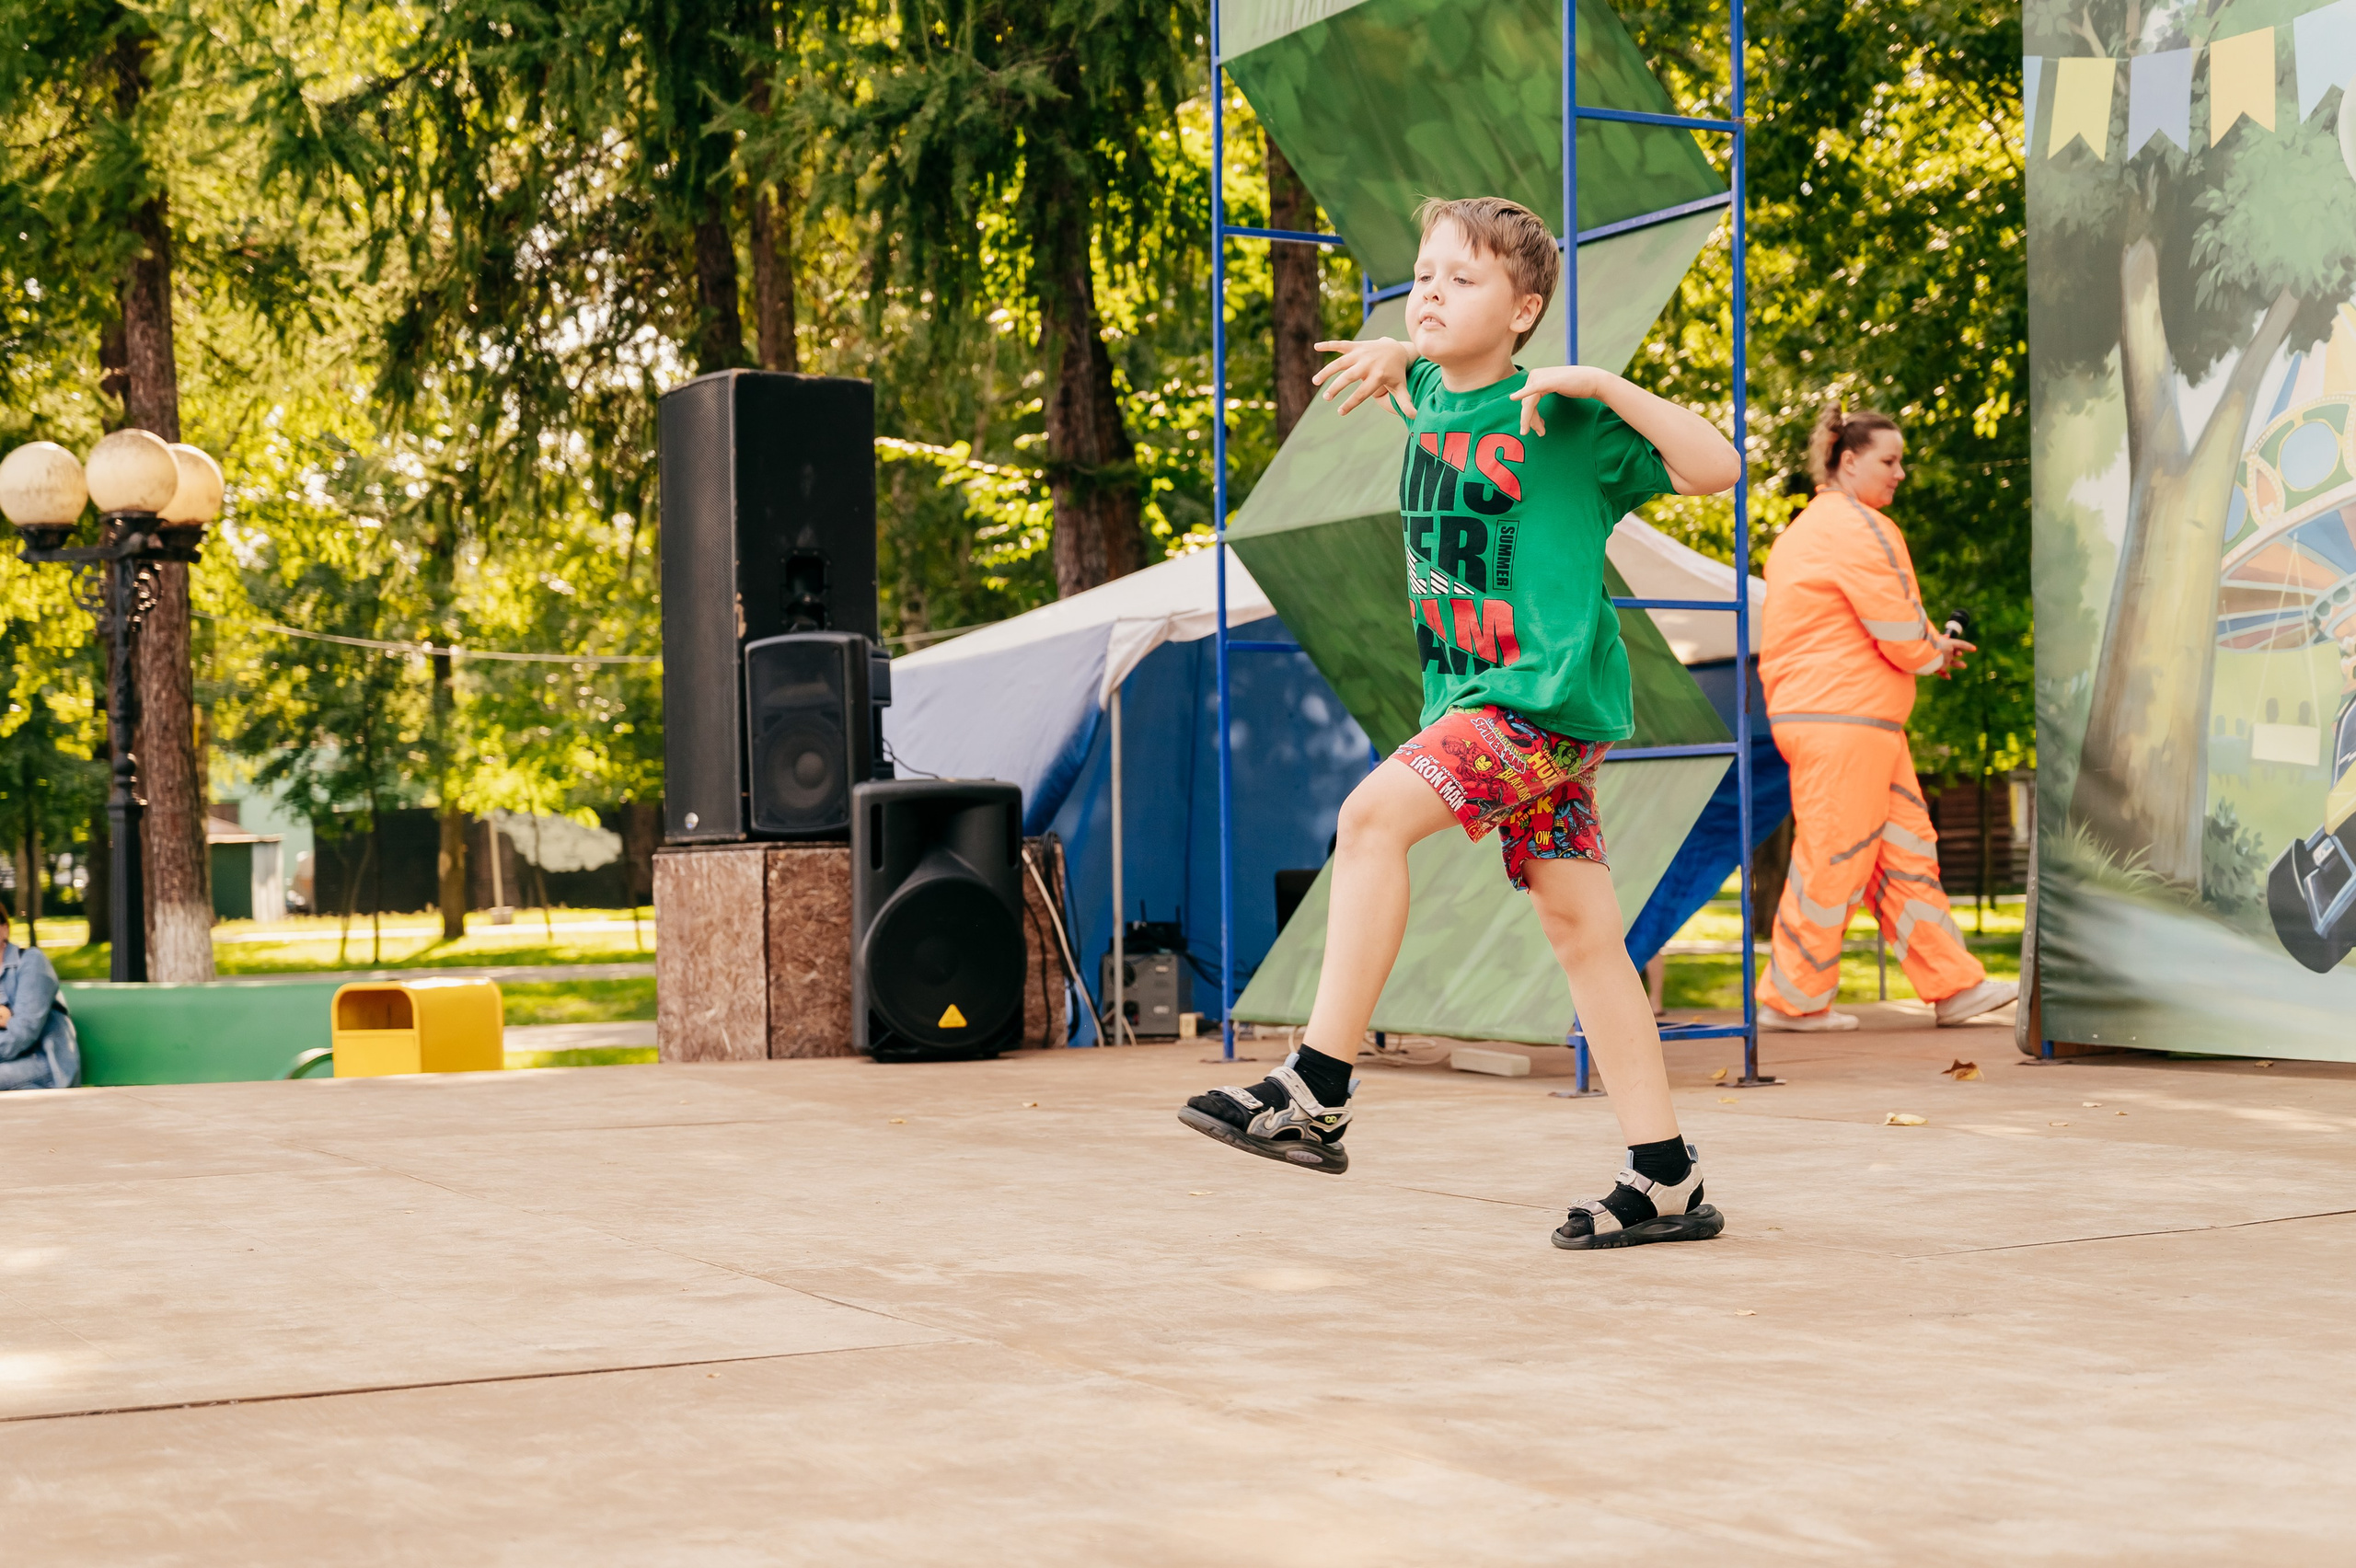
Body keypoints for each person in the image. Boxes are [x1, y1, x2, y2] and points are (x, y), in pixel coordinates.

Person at [1175, 196, 1742, 1251]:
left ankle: (1318, 1086)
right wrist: (1400, 353)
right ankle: (1666, 1173)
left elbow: (1718, 469)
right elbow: (1426, 383)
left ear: (1523, 311)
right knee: (1582, 933)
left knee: (1370, 819)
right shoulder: (1432, 392)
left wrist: (1600, 383)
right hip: (1481, 702)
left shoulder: (1564, 420)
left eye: (1462, 279)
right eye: (1424, 274)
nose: (1431, 292)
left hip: (1536, 701)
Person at [1753, 405, 2016, 1032]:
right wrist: (1934, 653)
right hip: (1844, 716)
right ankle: (1792, 1000)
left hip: (1845, 716)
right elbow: (1899, 628)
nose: (1900, 474)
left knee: (1905, 852)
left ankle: (1953, 987)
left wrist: (1926, 648)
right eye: (1889, 461)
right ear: (1849, 462)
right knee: (1834, 854)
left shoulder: (1805, 531)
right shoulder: (1861, 527)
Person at [0, 907, 78, 1090]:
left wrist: (9, 1018)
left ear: (5, 929)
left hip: (44, 1064)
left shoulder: (31, 961)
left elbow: (23, 1032)